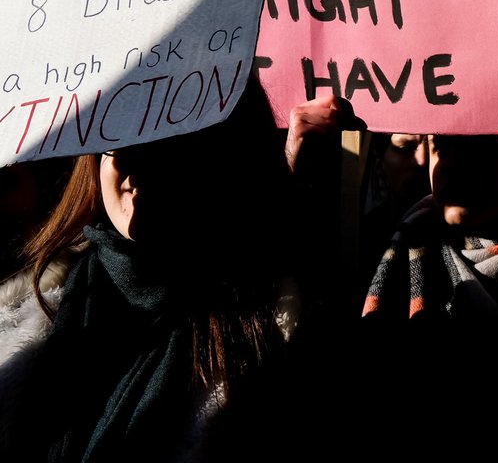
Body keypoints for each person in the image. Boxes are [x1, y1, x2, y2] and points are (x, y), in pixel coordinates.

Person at [0, 74, 299, 462]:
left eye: (164, 133)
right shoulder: (22, 314)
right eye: (113, 135)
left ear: (231, 154)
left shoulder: (283, 343)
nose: (129, 159)